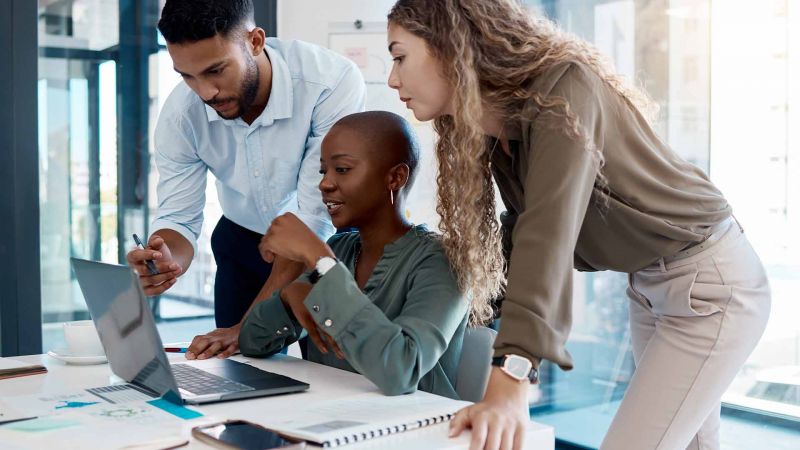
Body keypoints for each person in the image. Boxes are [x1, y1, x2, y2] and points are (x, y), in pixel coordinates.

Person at [386, 1, 771, 449]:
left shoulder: (564, 91)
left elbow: (547, 236)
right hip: (652, 286)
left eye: (399, 56)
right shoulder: (498, 128)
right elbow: (520, 233)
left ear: (451, 47)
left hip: (709, 288)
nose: (393, 78)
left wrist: (513, 374)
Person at [125, 0, 365, 359]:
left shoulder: (328, 83)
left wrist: (248, 326)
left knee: (331, 376)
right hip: (243, 242)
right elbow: (179, 218)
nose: (205, 92)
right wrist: (166, 257)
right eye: (187, 76)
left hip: (325, 243)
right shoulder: (181, 116)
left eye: (216, 70)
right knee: (238, 376)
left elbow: (313, 217)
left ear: (255, 41)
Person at [239, 111, 472, 399]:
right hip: (327, 424)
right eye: (324, 170)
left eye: (342, 169)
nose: (324, 184)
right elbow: (251, 341)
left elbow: (402, 370)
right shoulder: (340, 249)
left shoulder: (441, 260)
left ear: (395, 177)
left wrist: (319, 258)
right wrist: (287, 299)